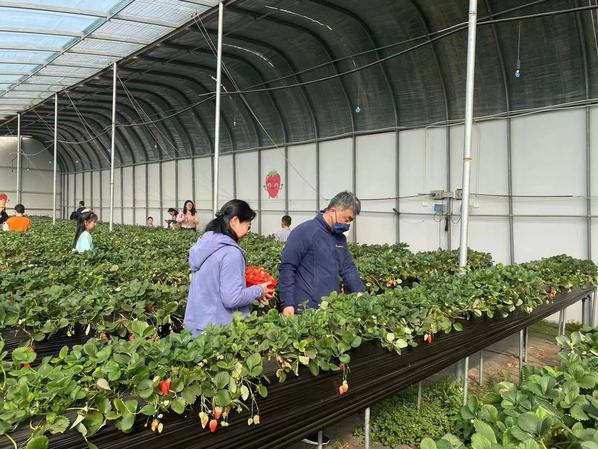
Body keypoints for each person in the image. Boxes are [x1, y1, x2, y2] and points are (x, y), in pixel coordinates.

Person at [279, 191, 364, 446]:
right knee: (307, 371)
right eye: (347, 218)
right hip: (305, 312)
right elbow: (287, 267)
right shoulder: (305, 232)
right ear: (334, 210)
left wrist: (362, 296)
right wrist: (287, 304)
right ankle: (304, 426)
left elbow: (348, 268)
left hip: (329, 313)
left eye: (351, 221)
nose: (348, 224)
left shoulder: (339, 239)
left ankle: (319, 420)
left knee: (325, 367)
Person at [183, 199, 274, 337]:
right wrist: (259, 290)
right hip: (216, 333)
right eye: (248, 226)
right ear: (235, 221)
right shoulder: (231, 253)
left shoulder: (205, 244)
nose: (247, 232)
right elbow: (232, 298)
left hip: (196, 327)